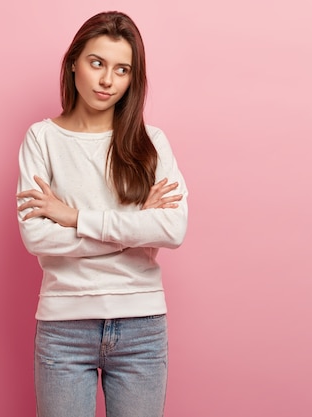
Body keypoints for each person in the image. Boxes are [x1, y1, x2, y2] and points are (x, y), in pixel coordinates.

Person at [16, 11, 188, 417]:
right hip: (64, 328)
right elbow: (37, 237)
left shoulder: (151, 143)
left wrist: (73, 217)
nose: (108, 80)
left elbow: (172, 228)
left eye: (122, 69)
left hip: (141, 327)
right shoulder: (43, 139)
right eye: (97, 63)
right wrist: (135, 227)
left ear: (133, 78)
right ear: (74, 60)